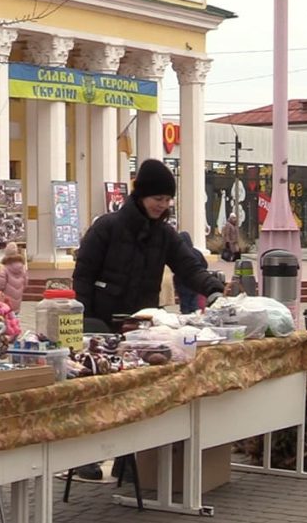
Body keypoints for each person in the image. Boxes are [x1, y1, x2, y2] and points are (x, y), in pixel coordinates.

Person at [71, 160, 225, 480]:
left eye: (168, 200)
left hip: (140, 327)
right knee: (96, 393)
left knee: (135, 394)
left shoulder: (164, 235)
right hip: (100, 325)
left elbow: (188, 266)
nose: (163, 205)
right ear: (141, 195)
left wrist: (212, 290)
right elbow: (82, 275)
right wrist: (85, 319)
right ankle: (83, 459)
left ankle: (129, 463)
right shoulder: (107, 228)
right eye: (158, 198)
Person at [173, 231, 209, 314]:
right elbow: (205, 264)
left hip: (182, 282)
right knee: (194, 302)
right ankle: (194, 317)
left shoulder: (179, 252)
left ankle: (186, 318)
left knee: (185, 303)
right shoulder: (197, 252)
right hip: (196, 282)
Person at [0, 242, 28, 313]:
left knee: (7, 316)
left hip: (6, 299)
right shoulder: (22, 268)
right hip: (18, 296)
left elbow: (0, 285)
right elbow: (25, 282)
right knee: (15, 316)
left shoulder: (5, 268)